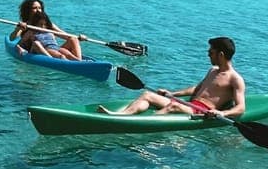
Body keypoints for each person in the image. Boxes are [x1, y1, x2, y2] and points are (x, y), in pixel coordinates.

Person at [99, 37, 246, 118]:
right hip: (191, 105)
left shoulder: (235, 79)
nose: (208, 54)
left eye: (211, 52)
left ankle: (145, 122)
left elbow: (241, 108)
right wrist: (172, 94)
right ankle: (120, 115)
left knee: (174, 105)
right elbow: (197, 88)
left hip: (202, 112)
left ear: (221, 55)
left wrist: (221, 113)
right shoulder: (212, 70)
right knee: (147, 95)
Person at [11, 0, 85, 60]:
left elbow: (65, 35)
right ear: (28, 10)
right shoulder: (25, 25)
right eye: (35, 8)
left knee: (73, 39)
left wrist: (79, 38)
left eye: (40, 8)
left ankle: (79, 62)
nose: (38, 10)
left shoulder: (48, 24)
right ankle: (56, 60)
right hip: (38, 50)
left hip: (53, 48)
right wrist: (18, 29)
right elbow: (13, 39)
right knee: (39, 45)